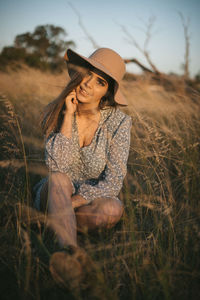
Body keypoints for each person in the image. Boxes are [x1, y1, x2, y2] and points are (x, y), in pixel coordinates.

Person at [34, 47, 132, 286]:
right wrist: (68, 116)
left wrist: (77, 200)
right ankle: (71, 255)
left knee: (113, 209)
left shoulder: (119, 123)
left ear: (107, 91)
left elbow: (114, 180)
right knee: (59, 179)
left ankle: (56, 225)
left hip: (85, 203)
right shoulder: (57, 109)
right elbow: (57, 166)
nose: (88, 84)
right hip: (53, 193)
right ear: (79, 73)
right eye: (87, 74)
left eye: (100, 82)